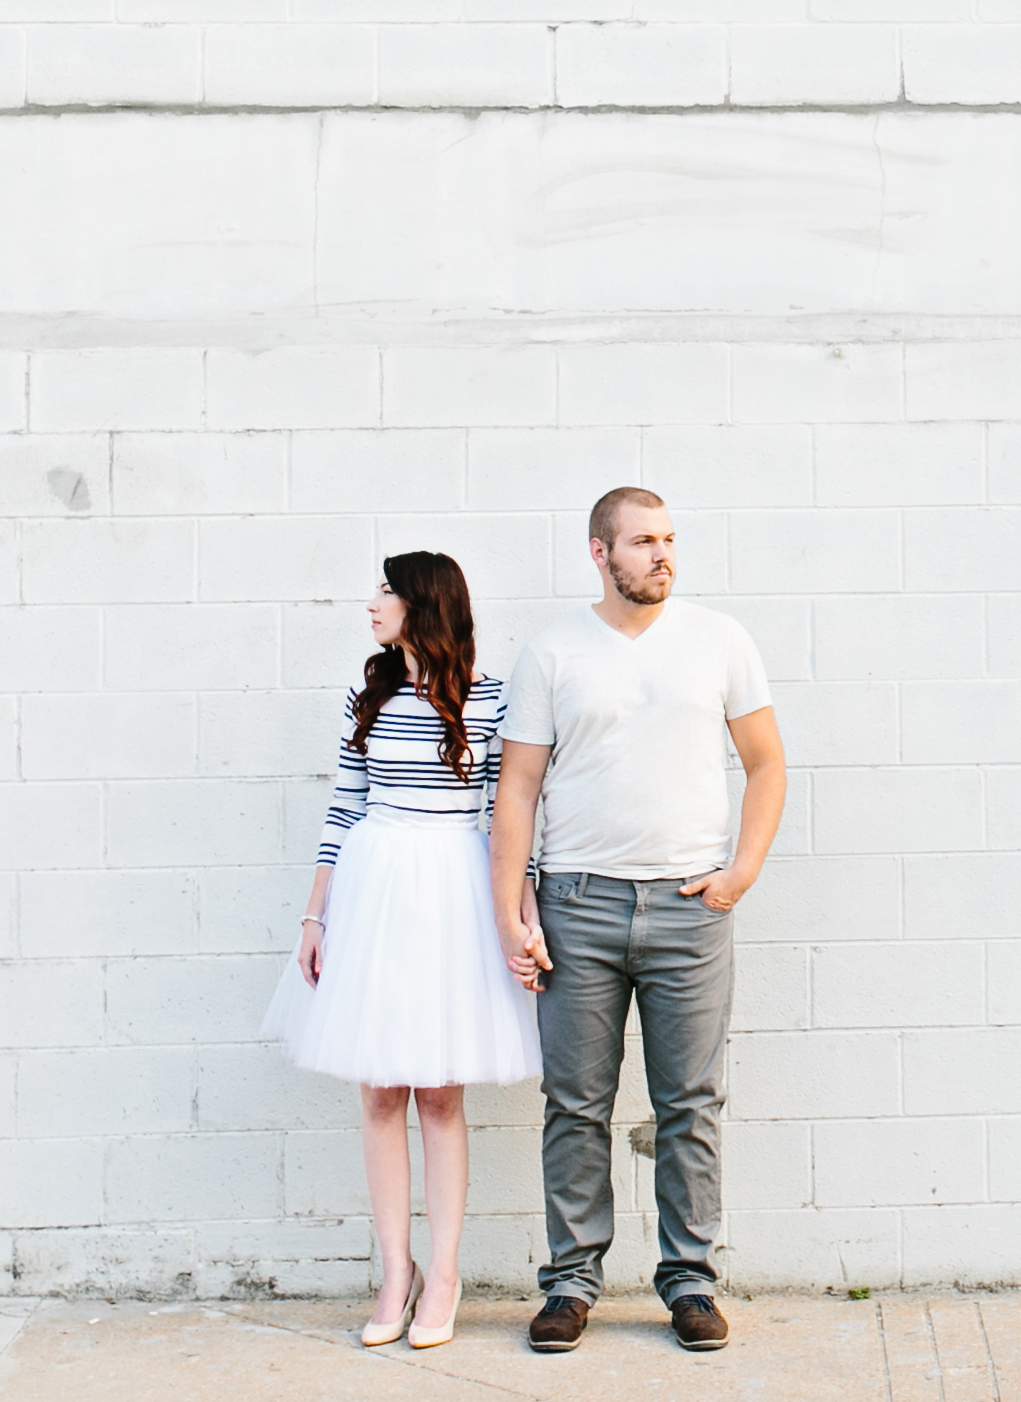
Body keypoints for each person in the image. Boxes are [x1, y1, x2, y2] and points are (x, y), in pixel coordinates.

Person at [488, 487, 787, 1355]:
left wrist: (739, 873)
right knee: (574, 1105)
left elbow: (766, 765)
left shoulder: (719, 640)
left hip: (690, 910)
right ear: (599, 553)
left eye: (668, 540)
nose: (662, 556)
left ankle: (690, 1283)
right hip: (577, 904)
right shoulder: (551, 652)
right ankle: (572, 1284)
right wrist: (513, 911)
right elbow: (518, 788)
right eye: (642, 542)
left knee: (688, 1103)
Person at [264, 551, 541, 1352]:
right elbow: (343, 806)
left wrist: (521, 916)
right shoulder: (370, 694)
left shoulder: (489, 700)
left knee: (440, 1095)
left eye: (385, 591)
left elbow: (508, 817)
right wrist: (315, 920)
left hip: (452, 891)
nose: (372, 604)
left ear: (424, 604)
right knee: (380, 1092)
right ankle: (396, 1272)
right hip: (374, 889)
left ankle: (445, 1275)